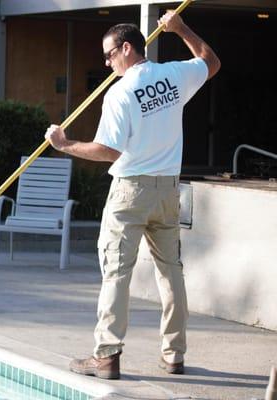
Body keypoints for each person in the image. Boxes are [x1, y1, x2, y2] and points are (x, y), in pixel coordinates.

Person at [45, 11, 220, 380]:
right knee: (171, 274)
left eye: (109, 54)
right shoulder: (174, 74)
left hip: (130, 192)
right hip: (168, 191)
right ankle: (174, 356)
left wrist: (65, 144)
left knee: (116, 274)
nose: (107, 62)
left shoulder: (120, 92)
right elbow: (210, 61)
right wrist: (181, 28)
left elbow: (108, 151)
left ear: (127, 47)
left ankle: (106, 356)